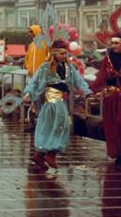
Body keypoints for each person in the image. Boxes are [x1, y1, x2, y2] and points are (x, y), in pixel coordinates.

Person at [23, 40, 92, 172]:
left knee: (60, 125)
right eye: (61, 53)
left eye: (65, 53)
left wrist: (86, 90)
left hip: (61, 101)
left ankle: (40, 156)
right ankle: (50, 154)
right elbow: (35, 80)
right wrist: (28, 92)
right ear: (54, 53)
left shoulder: (69, 67)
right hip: (50, 102)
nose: (64, 55)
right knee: (55, 125)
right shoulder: (45, 67)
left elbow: (78, 80)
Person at [90, 33, 121, 166]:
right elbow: (101, 77)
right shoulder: (107, 60)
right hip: (110, 98)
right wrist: (97, 90)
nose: (113, 46)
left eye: (116, 43)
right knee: (112, 126)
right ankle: (118, 154)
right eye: (112, 43)